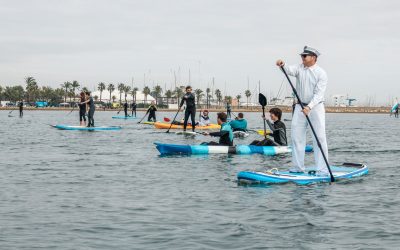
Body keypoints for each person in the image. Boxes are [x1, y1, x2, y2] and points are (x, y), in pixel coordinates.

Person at [276, 45, 329, 175]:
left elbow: (319, 94)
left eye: (305, 56)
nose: (302, 58)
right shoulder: (299, 68)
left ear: (314, 58)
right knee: (296, 137)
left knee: (319, 138)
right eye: (302, 56)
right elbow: (289, 70)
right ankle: (298, 168)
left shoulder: (321, 73)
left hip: (315, 108)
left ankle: (322, 169)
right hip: (300, 106)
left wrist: (309, 107)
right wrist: (282, 64)